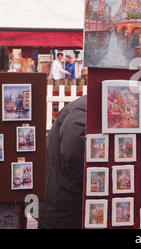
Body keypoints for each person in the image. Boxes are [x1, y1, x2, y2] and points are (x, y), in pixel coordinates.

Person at [37, 95, 87, 229]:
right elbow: (74, 154)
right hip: (63, 200)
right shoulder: (82, 111)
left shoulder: (82, 108)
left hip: (61, 197)